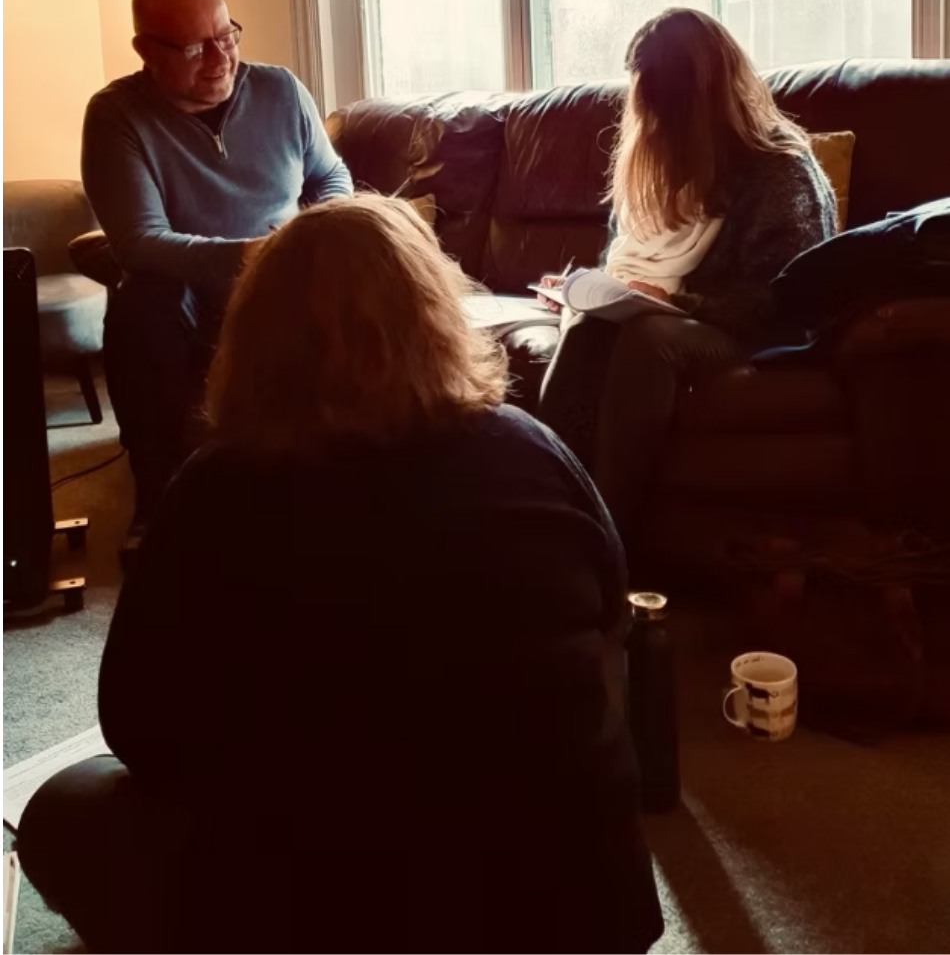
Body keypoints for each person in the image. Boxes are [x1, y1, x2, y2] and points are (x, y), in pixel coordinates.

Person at [17, 195, 665, 955]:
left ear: (254, 335)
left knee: (66, 806)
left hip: (329, 911)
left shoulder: (216, 487)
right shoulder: (534, 448)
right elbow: (612, 627)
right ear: (436, 311)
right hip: (579, 911)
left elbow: (139, 726)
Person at [538, 8, 838, 555]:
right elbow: (624, 256)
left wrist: (675, 298)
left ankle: (614, 547)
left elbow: (783, 299)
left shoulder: (782, 172)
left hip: (758, 332)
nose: (650, 123)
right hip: (675, 314)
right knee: (585, 331)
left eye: (662, 109)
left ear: (699, 103)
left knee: (648, 341)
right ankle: (554, 518)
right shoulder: (661, 164)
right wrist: (596, 287)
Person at [81, 0, 354, 548]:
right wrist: (251, 256)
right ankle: (158, 495)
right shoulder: (116, 117)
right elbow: (140, 241)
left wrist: (317, 233)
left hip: (286, 281)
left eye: (227, 35)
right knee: (142, 304)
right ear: (145, 51)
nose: (219, 57)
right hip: (184, 293)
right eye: (194, 47)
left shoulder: (282, 90)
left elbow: (330, 175)